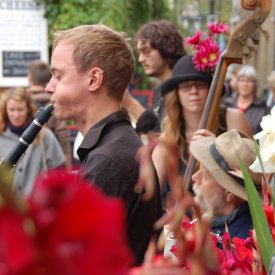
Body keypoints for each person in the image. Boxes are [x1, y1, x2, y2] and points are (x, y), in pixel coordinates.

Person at [45, 24, 162, 266]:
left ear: (94, 79)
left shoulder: (107, 163)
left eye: (58, 76)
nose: (49, 87)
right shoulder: (116, 148)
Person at [152, 55, 253, 192]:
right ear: (177, 94)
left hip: (228, 212)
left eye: (200, 85)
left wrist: (218, 151)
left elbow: (254, 176)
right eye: (186, 87)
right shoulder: (168, 138)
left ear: (210, 89)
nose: (194, 91)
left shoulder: (233, 118)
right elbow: (150, 192)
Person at [190, 129, 262, 239]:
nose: (194, 177)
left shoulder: (242, 244)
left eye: (205, 177)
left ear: (229, 193)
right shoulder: (219, 222)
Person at [122, 20, 186, 134]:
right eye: (140, 53)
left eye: (146, 51)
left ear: (167, 47)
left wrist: (130, 104)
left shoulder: (184, 89)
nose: (141, 59)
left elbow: (167, 135)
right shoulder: (159, 91)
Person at [0, 87, 65, 195]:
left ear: (28, 109)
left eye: (20, 110)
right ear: (5, 110)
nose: (16, 115)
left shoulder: (46, 136)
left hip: (37, 205)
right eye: (12, 110)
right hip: (8, 206)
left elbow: (58, 172)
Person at [28, 60, 73, 169]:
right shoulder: (53, 104)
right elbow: (63, 136)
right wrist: (67, 167)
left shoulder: (21, 102)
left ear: (29, 78)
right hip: (48, 161)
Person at [223, 64, 269, 134]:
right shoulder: (227, 105)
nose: (245, 84)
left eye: (249, 81)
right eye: (242, 80)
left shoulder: (262, 108)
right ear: (237, 83)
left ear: (254, 84)